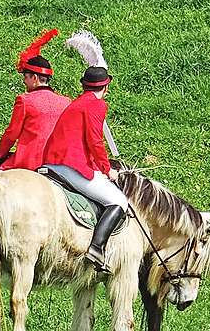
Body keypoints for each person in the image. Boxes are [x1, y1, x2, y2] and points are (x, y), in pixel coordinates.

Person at [41, 64, 126, 272]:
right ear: (105, 88)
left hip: (52, 160)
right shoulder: (97, 105)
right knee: (119, 201)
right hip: (71, 165)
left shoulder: (77, 103)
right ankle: (96, 248)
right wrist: (107, 170)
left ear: (84, 86)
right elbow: (95, 141)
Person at [0, 29, 71, 171]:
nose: (24, 81)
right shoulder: (66, 102)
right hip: (59, 162)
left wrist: (0, 155)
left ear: (35, 78)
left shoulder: (24, 100)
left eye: (26, 77)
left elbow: (12, 134)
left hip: (29, 162)